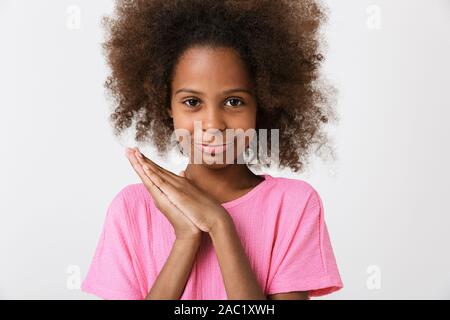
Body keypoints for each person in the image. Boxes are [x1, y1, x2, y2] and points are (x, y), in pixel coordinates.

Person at [81, 0, 343, 300]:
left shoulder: (293, 205)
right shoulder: (132, 209)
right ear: (167, 106)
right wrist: (186, 238)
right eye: (192, 102)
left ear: (263, 103)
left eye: (234, 101)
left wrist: (220, 225)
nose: (213, 124)